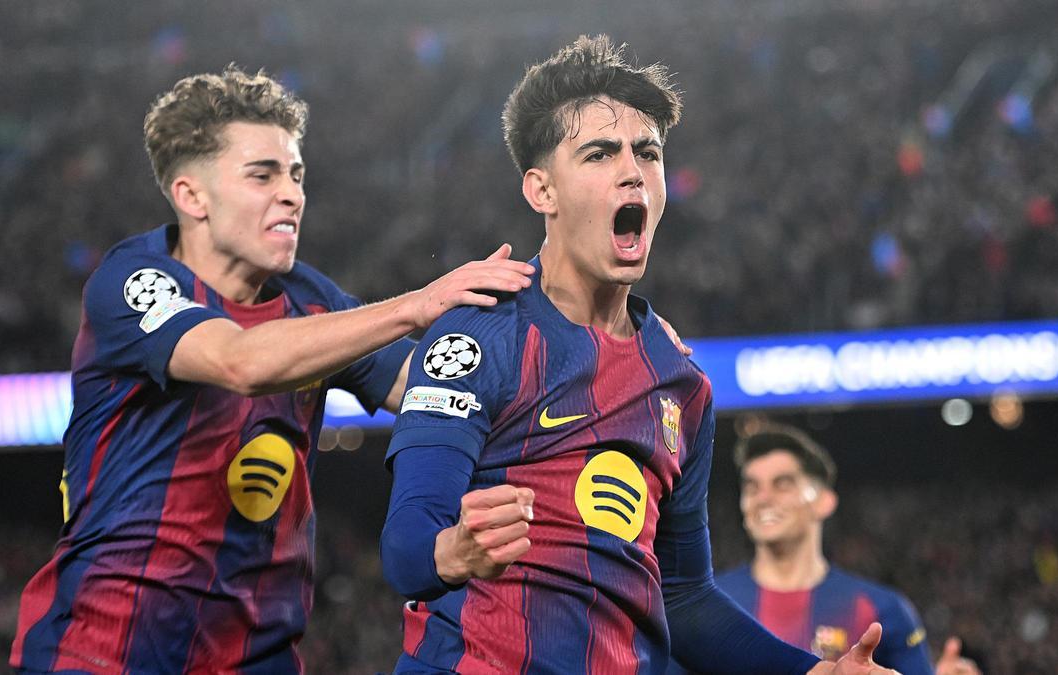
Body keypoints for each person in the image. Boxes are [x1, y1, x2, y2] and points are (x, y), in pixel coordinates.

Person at [379, 35, 898, 674]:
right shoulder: (479, 336)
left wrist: (811, 672)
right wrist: (455, 551)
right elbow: (406, 548)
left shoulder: (681, 383)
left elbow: (682, 597)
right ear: (541, 191)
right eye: (599, 153)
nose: (632, 170)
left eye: (646, 152)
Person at [9, 66, 537, 673]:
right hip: (104, 651)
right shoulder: (135, 281)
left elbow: (433, 392)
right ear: (191, 196)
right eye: (262, 175)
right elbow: (241, 360)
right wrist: (416, 305)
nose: (291, 193)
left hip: (258, 657)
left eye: (295, 174)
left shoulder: (311, 301)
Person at [710, 423, 981, 675]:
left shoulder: (882, 609)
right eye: (752, 487)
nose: (763, 498)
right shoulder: (708, 604)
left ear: (824, 502)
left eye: (783, 484)